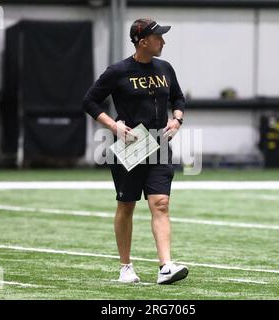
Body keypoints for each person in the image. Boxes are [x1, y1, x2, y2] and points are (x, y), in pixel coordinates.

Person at [83, 18, 188, 285]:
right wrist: (113, 125)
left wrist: (177, 119)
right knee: (126, 205)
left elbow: (178, 96)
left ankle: (165, 266)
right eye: (158, 38)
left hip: (160, 145)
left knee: (161, 204)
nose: (163, 41)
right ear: (142, 42)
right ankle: (125, 267)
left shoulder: (165, 68)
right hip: (131, 146)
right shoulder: (118, 71)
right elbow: (90, 101)